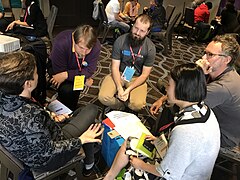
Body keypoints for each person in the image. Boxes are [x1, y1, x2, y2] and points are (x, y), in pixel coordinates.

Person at [104, 63, 220, 180]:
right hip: (187, 167)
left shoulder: (186, 131)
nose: (166, 89)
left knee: (133, 168)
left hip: (180, 176)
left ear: (181, 88)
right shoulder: (203, 109)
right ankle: (109, 177)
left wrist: (140, 165)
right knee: (131, 142)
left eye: (169, 85)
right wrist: (160, 142)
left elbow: (168, 173)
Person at [0, 51, 103, 176]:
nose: (38, 75)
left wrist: (49, 118)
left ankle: (89, 160)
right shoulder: (30, 115)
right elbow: (48, 151)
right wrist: (81, 140)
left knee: (79, 113)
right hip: (46, 160)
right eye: (36, 73)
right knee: (91, 109)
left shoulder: (5, 96)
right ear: (28, 83)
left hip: (23, 149)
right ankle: (89, 163)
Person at [151, 34, 240, 148]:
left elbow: (186, 101)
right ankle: (159, 137)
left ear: (227, 60)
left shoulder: (223, 87)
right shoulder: (219, 71)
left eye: (210, 55)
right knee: (171, 98)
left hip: (224, 135)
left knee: (174, 107)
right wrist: (162, 98)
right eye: (205, 52)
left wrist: (199, 73)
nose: (203, 58)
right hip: (212, 116)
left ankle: (157, 141)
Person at [98, 14, 156, 112]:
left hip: (136, 77)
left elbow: (145, 75)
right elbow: (115, 67)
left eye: (142, 31)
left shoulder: (150, 48)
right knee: (103, 97)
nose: (137, 33)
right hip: (119, 73)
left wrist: (129, 89)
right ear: (132, 26)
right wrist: (119, 88)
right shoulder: (120, 41)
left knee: (137, 105)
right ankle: (120, 106)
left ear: (147, 32)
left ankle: (128, 104)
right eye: (136, 28)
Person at [48, 25, 101, 111]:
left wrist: (67, 75)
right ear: (73, 40)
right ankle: (65, 110)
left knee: (74, 88)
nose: (84, 53)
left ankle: (71, 109)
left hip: (68, 73)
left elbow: (90, 70)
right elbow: (59, 71)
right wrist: (83, 77)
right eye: (81, 48)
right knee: (67, 90)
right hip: (58, 67)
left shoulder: (96, 45)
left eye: (88, 49)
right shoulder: (61, 43)